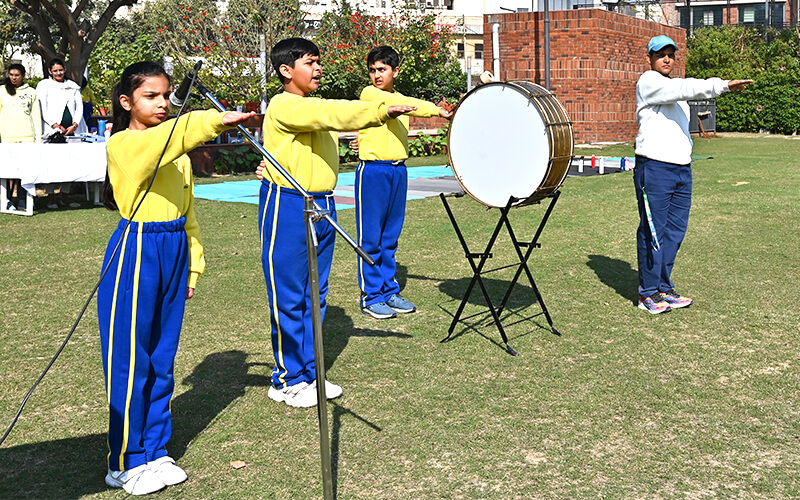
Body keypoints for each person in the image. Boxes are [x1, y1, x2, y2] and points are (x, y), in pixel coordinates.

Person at [98, 61, 254, 495]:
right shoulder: (123, 144)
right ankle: (125, 461)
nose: (163, 103)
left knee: (162, 360)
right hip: (137, 250)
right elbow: (165, 140)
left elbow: (188, 215)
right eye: (152, 96)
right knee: (132, 360)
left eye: (166, 95)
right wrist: (211, 119)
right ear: (127, 102)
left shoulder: (175, 151)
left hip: (172, 250)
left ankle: (154, 449)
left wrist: (193, 264)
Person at [256, 37, 415, 408]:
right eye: (310, 63)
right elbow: (332, 114)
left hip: (323, 205)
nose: (318, 68)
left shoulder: (309, 106)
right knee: (291, 294)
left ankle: (310, 372)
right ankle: (286, 379)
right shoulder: (285, 105)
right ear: (286, 70)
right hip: (290, 204)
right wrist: (379, 112)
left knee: (317, 293)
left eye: (318, 62)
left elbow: (325, 125)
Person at [634, 35, 751, 314]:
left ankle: (663, 287)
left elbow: (681, 95)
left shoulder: (676, 92)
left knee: (674, 232)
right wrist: (721, 85)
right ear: (649, 57)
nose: (666, 59)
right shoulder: (648, 82)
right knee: (654, 231)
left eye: (670, 55)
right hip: (655, 168)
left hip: (681, 170)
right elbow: (684, 87)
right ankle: (647, 294)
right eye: (660, 54)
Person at [355, 45, 452, 319]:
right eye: (373, 70)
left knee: (390, 237)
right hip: (373, 171)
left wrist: (439, 111)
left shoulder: (401, 98)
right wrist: (417, 109)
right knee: (371, 237)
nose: (376, 75)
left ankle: (389, 291)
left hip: (398, 171)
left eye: (382, 69)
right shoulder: (369, 94)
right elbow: (389, 106)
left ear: (395, 71)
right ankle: (371, 297)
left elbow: (411, 103)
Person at [36, 58, 85, 208]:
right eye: (55, 70)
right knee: (53, 164)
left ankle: (66, 196)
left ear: (65, 70)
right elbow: (42, 108)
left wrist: (75, 124)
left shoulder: (73, 86)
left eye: (61, 70)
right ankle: (51, 197)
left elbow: (79, 108)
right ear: (50, 71)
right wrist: (55, 125)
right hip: (52, 132)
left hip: (72, 132)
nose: (59, 73)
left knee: (70, 163)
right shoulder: (44, 86)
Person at [0, 64, 41, 211]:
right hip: (7, 139)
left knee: (25, 172)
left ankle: (24, 199)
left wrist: (37, 139)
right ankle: (7, 199)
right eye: (11, 75)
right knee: (7, 172)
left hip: (27, 139)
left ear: (23, 76)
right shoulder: (2, 91)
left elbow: (36, 116)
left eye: (17, 75)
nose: (13, 78)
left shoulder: (31, 92)